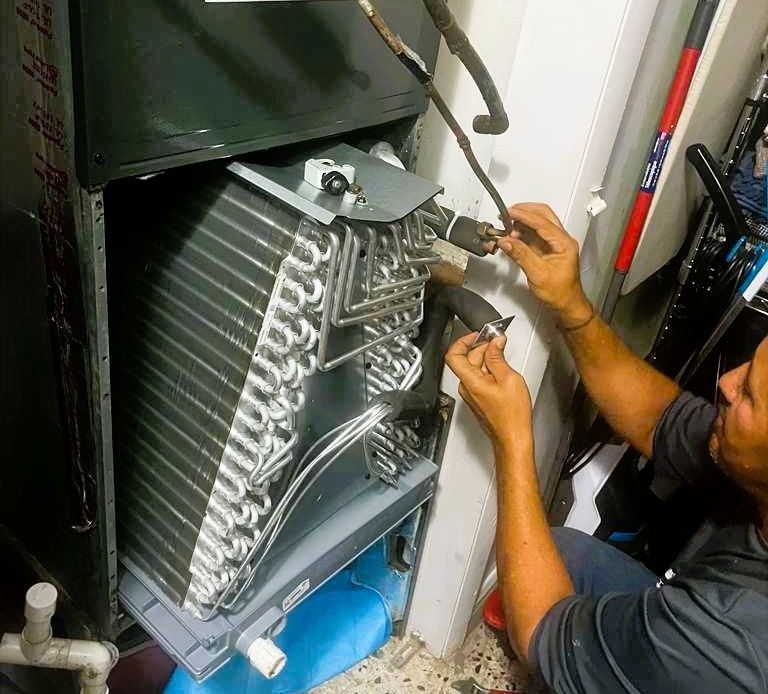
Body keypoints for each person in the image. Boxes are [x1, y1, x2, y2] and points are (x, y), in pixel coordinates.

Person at [445, 203, 768, 693]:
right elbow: (664, 419)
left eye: (749, 396)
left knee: (555, 640)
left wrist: (513, 438)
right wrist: (572, 307)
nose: (726, 381)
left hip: (710, 656)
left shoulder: (733, 642)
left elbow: (545, 634)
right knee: (563, 549)